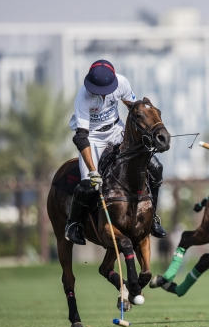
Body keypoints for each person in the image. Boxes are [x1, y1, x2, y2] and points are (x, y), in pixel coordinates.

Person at [65, 59, 167, 245]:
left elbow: (134, 107)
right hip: (93, 136)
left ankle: (152, 218)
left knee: (155, 168)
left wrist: (150, 125)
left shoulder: (121, 83)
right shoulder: (83, 97)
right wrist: (93, 171)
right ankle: (74, 224)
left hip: (116, 130)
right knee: (89, 184)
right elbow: (81, 137)